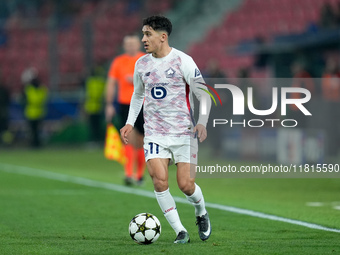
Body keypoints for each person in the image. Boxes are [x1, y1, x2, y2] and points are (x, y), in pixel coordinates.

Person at [120, 15, 212, 244]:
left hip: (183, 132)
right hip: (154, 133)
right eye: (143, 33)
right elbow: (138, 94)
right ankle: (181, 231)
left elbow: (203, 93)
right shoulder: (141, 64)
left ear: (163, 37)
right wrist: (130, 122)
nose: (143, 39)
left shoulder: (183, 60)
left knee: (186, 185)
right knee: (159, 181)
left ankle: (201, 211)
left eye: (148, 34)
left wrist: (202, 121)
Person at [105, 34, 145, 186]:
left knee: (141, 139)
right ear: (124, 46)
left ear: (138, 45)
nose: (130, 46)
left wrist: (136, 79)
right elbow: (111, 82)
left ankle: (140, 175)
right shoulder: (118, 61)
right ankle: (129, 173)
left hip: (143, 103)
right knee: (126, 137)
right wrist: (109, 104)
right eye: (127, 44)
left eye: (133, 43)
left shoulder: (146, 60)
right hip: (124, 103)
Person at [21, 68, 48, 148]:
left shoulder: (29, 89)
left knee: (34, 131)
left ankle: (35, 144)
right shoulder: (41, 89)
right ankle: (36, 144)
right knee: (35, 131)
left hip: (32, 112)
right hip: (37, 112)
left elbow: (29, 100)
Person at [84, 65, 106, 144]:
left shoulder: (89, 82)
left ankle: (95, 140)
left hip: (93, 107)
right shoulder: (101, 82)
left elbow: (89, 94)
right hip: (97, 106)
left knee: (94, 125)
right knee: (96, 125)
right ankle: (97, 140)